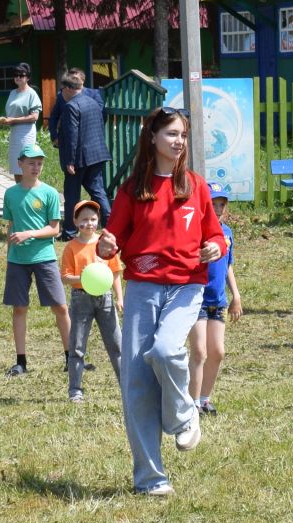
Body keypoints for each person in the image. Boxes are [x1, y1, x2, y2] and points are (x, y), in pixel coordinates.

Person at [100, 107, 228, 496]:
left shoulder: (196, 187)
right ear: (152, 137)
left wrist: (212, 247)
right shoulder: (131, 189)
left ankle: (184, 413)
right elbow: (112, 240)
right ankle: (151, 480)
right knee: (136, 383)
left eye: (184, 135)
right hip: (141, 288)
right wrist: (107, 246)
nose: (179, 141)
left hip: (186, 286)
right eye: (172, 134)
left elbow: (217, 237)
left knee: (167, 351)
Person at [2, 141, 68, 376]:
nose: (36, 167)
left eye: (39, 163)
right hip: (17, 260)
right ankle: (21, 361)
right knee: (19, 308)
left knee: (60, 306)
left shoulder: (49, 193)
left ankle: (71, 357)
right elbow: (10, 224)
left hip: (44, 257)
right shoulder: (10, 194)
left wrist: (29, 233)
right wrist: (10, 243)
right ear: (20, 164)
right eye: (31, 163)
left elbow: (55, 229)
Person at [187, 184, 243, 416]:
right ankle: (191, 404)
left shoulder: (227, 232)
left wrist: (236, 295)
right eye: (213, 204)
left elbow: (228, 266)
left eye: (221, 204)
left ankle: (204, 398)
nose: (218, 209)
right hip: (197, 299)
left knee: (217, 351)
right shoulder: (196, 232)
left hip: (218, 301)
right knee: (199, 351)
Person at [61, 199, 122, 403]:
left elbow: (114, 273)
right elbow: (66, 277)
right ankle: (75, 390)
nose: (89, 223)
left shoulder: (104, 243)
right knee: (77, 346)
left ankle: (128, 388)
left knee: (117, 346)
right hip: (81, 299)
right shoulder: (71, 247)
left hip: (105, 299)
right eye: (84, 219)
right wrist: (83, 278)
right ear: (75, 221)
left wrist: (120, 298)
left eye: (93, 219)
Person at [54, 68, 111, 234]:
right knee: (98, 191)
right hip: (96, 154)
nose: (61, 93)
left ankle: (70, 232)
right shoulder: (93, 102)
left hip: (79, 159)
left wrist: (70, 161)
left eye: (62, 89)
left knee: (71, 195)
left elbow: (72, 136)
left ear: (69, 88)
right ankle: (111, 224)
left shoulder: (71, 106)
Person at [0, 64, 44, 177]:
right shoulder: (13, 92)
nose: (18, 77)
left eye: (21, 75)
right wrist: (5, 120)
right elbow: (11, 113)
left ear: (27, 78)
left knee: (26, 163)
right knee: (16, 165)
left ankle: (28, 189)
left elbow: (34, 117)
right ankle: (19, 191)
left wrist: (13, 120)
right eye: (15, 75)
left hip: (26, 132)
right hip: (14, 132)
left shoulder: (31, 93)